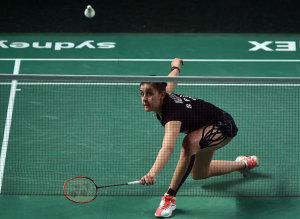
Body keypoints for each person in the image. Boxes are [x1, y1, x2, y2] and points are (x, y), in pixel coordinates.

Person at [139, 58, 260, 218]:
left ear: (161, 95)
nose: (144, 98)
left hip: (222, 125)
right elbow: (171, 79)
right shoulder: (164, 92)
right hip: (203, 128)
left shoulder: (172, 115)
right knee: (199, 174)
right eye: (142, 93)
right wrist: (176, 66)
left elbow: (167, 147)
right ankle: (244, 164)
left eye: (149, 93)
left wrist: (152, 173)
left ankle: (169, 197)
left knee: (188, 144)